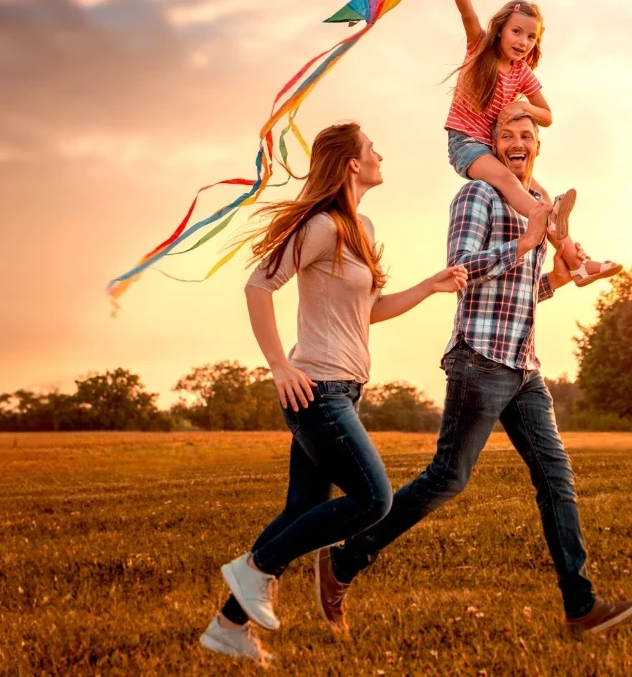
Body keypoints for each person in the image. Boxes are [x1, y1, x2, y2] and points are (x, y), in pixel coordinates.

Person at [320, 111, 632, 634]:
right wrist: (525, 243)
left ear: (536, 148)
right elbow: (461, 270)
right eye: (506, 136)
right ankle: (346, 559)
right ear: (490, 148)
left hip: (524, 365)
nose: (517, 143)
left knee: (556, 477)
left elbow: (520, 294)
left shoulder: (532, 206)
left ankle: (580, 607)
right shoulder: (477, 196)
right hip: (479, 359)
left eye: (527, 136)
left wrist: (558, 279)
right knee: (447, 477)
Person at [198, 122, 467, 664]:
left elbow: (367, 311)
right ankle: (255, 569)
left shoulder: (359, 226)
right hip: (315, 388)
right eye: (372, 148)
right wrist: (279, 365)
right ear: (351, 163)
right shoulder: (321, 225)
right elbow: (259, 284)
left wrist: (428, 286)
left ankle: (227, 627)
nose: (380, 154)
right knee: (374, 499)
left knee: (304, 506)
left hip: (344, 387)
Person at [442, 0, 620, 289]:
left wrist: (524, 107)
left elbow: (547, 115)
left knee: (541, 195)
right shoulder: (479, 48)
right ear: (500, 31)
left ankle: (578, 265)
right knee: (514, 186)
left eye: (531, 37)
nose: (523, 41)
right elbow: (467, 13)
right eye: (516, 32)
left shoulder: (522, 73)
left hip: (492, 149)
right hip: (465, 144)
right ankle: (547, 218)